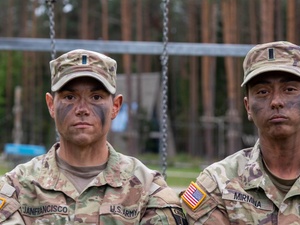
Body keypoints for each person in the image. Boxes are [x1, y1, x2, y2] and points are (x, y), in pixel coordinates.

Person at [181, 41, 300, 224]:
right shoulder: (217, 184)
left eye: (289, 89)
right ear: (248, 106)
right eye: (262, 92)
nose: (276, 101)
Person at [1, 49, 188, 224]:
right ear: (51, 104)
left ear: (115, 106)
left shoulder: (147, 189)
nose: (82, 109)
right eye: (69, 97)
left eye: (96, 97)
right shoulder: (17, 187)